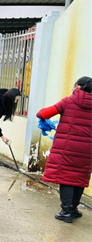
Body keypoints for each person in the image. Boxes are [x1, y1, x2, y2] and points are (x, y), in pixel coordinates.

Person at [36, 76, 92, 223]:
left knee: (66, 178)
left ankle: (66, 211)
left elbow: (42, 114)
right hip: (87, 150)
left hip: (67, 148)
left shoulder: (68, 101)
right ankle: (73, 209)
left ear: (78, 87)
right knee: (79, 177)